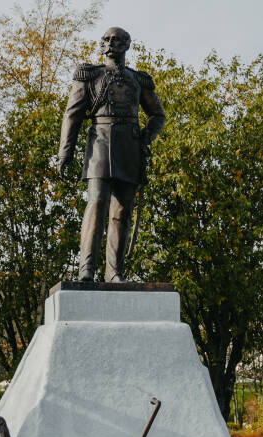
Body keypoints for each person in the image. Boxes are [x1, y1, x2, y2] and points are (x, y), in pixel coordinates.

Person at [56, 26, 166, 282]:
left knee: (121, 212)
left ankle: (114, 272)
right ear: (101, 45)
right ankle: (87, 270)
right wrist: (65, 153)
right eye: (106, 39)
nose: (111, 43)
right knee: (96, 203)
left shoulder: (139, 80)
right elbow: (71, 115)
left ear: (127, 44)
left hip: (129, 147)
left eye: (117, 40)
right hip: (99, 146)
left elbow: (157, 114)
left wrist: (145, 137)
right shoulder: (89, 75)